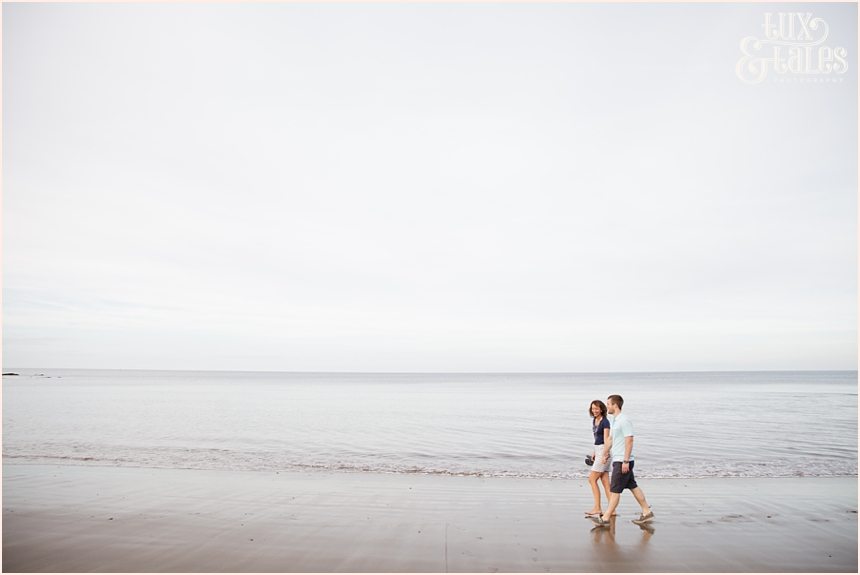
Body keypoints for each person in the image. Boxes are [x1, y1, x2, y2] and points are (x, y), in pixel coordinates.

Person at [591, 394, 654, 527]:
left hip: (623, 461)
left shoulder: (624, 420)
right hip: (619, 459)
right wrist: (605, 453)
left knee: (615, 491)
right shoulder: (615, 420)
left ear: (615, 405)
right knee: (633, 486)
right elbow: (610, 439)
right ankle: (647, 511)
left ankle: (605, 517)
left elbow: (629, 440)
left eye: (608, 404)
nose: (607, 406)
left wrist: (625, 461)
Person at [585, 400, 611, 517]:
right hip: (599, 450)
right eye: (592, 408)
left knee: (592, 479)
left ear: (601, 409)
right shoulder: (595, 420)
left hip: (604, 451)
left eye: (596, 408)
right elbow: (597, 438)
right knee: (605, 482)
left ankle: (597, 508)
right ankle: (612, 509)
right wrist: (594, 452)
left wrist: (605, 454)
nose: (594, 410)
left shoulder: (605, 422)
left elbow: (606, 440)